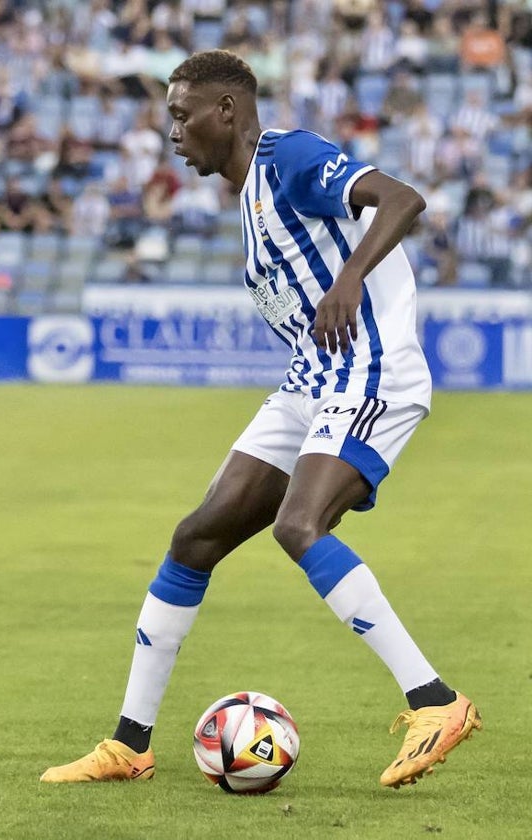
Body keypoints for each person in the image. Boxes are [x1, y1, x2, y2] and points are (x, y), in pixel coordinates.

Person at [41, 50, 480, 790]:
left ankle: (436, 701)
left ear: (227, 113)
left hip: (371, 372)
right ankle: (129, 745)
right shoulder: (247, 201)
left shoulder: (289, 158)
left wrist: (349, 280)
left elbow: (403, 199)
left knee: (298, 526)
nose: (171, 131)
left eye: (182, 115)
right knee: (196, 537)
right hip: (311, 383)